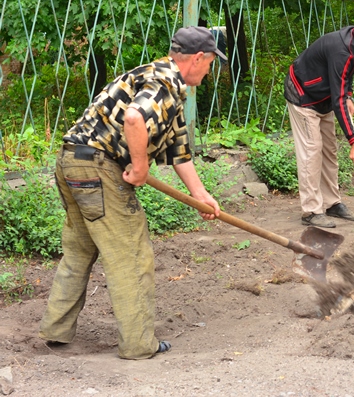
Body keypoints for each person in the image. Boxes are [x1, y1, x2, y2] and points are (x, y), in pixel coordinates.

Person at [39, 26, 226, 359]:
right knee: (132, 255)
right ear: (198, 58)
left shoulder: (157, 79)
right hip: (99, 168)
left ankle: (56, 330)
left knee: (80, 249)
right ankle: (139, 344)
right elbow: (135, 117)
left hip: (71, 161)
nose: (210, 70)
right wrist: (140, 167)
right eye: (211, 62)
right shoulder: (165, 85)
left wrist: (202, 196)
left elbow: (179, 153)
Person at [284, 19, 354, 228]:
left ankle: (332, 203)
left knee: (329, 150)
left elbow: (343, 78)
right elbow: (337, 100)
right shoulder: (342, 51)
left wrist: (348, 95)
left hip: (323, 97)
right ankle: (311, 211)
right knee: (312, 151)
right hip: (303, 95)